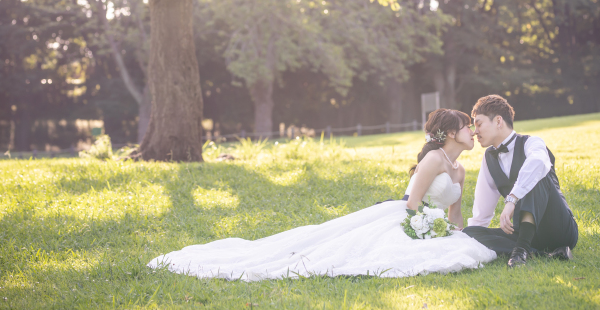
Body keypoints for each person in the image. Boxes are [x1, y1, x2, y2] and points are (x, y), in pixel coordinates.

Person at [148, 108, 496, 280]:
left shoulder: (460, 169)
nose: (471, 131)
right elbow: (412, 204)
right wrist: (424, 228)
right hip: (406, 217)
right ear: (450, 133)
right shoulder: (434, 159)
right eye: (467, 126)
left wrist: (454, 232)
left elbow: (454, 213)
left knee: (461, 246)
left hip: (430, 221)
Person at [462, 95, 578, 267]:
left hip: (558, 227)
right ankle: (543, 254)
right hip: (524, 232)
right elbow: (482, 209)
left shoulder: (531, 143)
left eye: (479, 123)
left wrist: (512, 199)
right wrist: (471, 235)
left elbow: (538, 163)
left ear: (498, 121)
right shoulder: (489, 158)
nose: (474, 131)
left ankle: (520, 250)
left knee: (537, 174)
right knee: (469, 232)